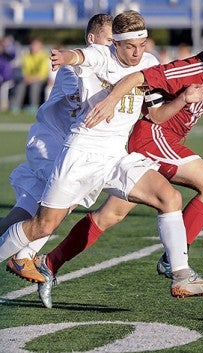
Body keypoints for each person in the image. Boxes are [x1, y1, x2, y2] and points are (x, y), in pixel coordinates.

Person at [0, 10, 203, 307]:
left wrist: (184, 100)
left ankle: (181, 276)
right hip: (81, 153)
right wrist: (64, 57)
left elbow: (156, 114)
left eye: (141, 44)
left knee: (168, 197)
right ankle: (23, 255)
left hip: (118, 156)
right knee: (43, 225)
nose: (136, 52)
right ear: (114, 44)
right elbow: (80, 57)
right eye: (129, 45)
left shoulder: (148, 63)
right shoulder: (101, 56)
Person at [60, 27, 203, 280]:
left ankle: (48, 263)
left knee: (110, 215)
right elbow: (137, 78)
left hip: (162, 141)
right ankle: (174, 261)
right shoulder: (185, 71)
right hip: (152, 138)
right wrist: (111, 101)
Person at [2, 13, 114, 284]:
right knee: (64, 197)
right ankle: (24, 255)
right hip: (50, 144)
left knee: (28, 210)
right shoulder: (72, 69)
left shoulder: (108, 67)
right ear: (91, 39)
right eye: (109, 40)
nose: (113, 46)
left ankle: (24, 252)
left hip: (67, 147)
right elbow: (93, 99)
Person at [10, 38, 49, 114]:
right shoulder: (27, 56)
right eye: (33, 45)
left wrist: (32, 79)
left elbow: (42, 73)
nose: (34, 47)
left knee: (35, 86)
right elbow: (24, 70)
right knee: (21, 85)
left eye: (36, 46)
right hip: (28, 78)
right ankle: (16, 106)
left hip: (41, 79)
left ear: (40, 47)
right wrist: (26, 78)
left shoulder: (44, 56)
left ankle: (33, 106)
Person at [0, 36, 16, 111]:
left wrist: (5, 48)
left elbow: (13, 54)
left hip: (7, 78)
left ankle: (4, 106)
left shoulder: (7, 54)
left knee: (4, 89)